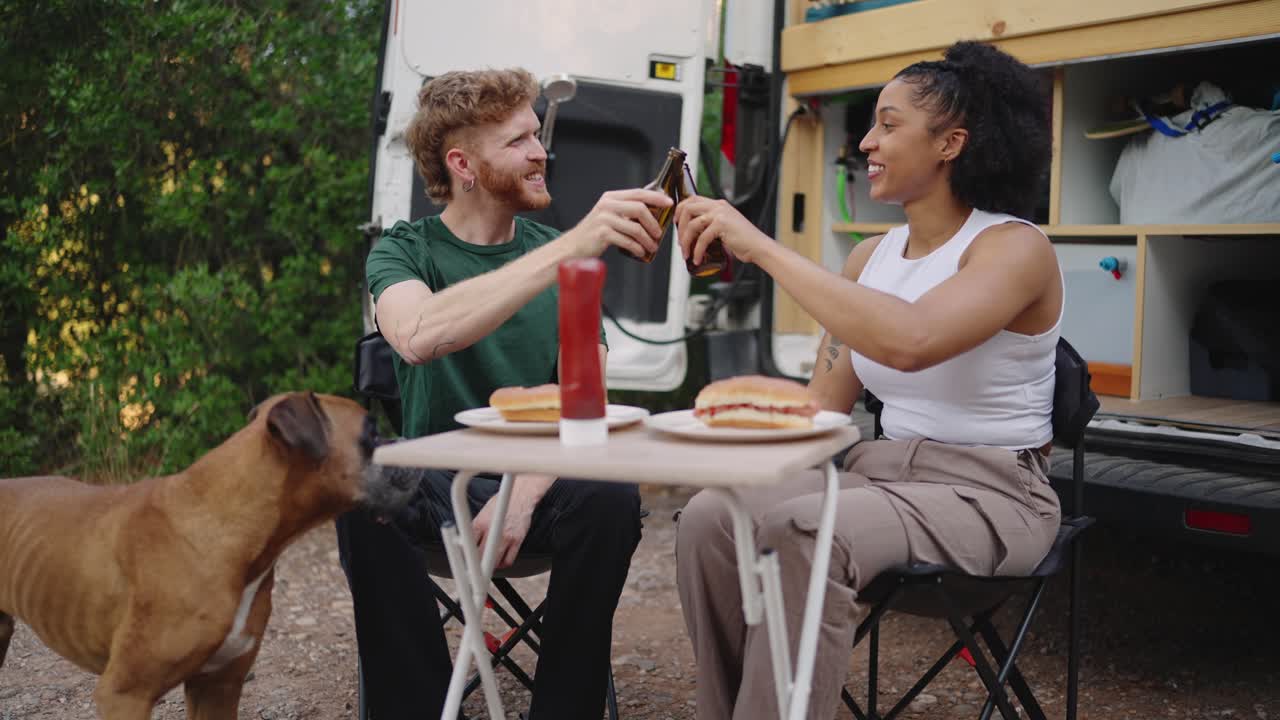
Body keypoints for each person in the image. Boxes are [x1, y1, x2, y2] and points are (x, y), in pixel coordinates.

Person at [672, 40, 1064, 719]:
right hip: (880, 477)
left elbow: (910, 341)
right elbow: (823, 407)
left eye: (888, 123)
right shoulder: (869, 257)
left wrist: (757, 243)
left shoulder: (1013, 247)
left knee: (805, 527)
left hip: (995, 492)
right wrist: (713, 423)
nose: (866, 141)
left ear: (952, 143)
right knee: (712, 515)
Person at [336, 67, 670, 720]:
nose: (541, 151)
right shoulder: (404, 251)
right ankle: (420, 707)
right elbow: (418, 334)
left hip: (541, 483)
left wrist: (526, 486)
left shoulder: (560, 257)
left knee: (609, 497)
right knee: (358, 480)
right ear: (463, 163)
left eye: (534, 136)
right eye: (517, 140)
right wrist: (576, 244)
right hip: (437, 483)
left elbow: (588, 402)